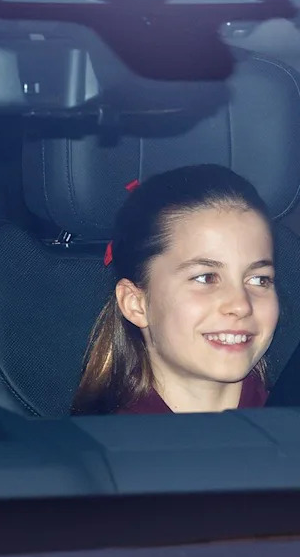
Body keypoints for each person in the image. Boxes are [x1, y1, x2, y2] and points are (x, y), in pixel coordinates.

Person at [71, 164, 278, 415]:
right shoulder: (101, 447)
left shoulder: (285, 423)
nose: (241, 305)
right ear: (136, 303)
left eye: (259, 280)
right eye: (206, 277)